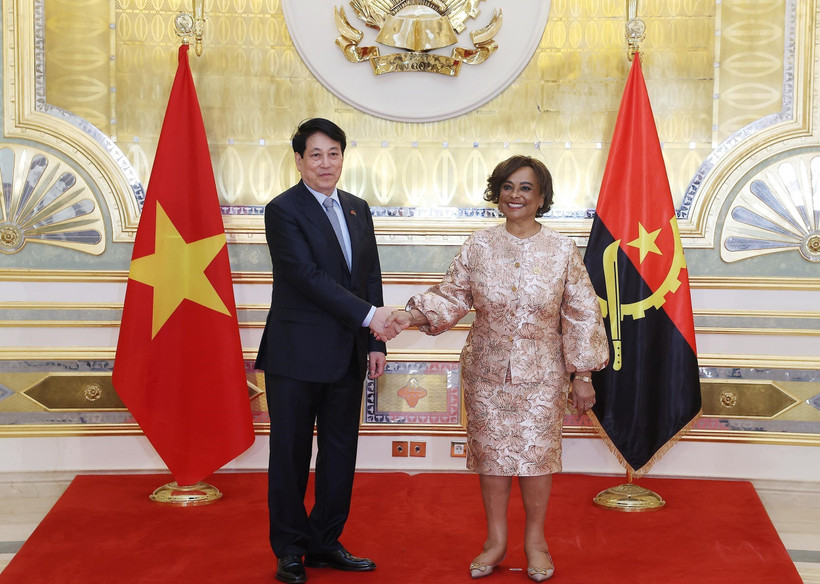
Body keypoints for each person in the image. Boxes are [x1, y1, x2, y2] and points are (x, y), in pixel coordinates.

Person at [384, 155, 609, 582]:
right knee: (492, 458)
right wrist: (409, 315)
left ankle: (536, 544)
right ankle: (495, 542)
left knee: (537, 457)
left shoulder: (562, 250)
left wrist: (583, 375)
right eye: (508, 187)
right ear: (497, 193)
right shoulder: (479, 245)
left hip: (543, 374)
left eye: (525, 188)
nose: (515, 195)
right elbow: (452, 296)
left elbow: (582, 314)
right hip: (486, 373)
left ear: (541, 197)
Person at [255, 118, 401, 584]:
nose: (325, 163)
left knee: (340, 454)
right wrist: (370, 317)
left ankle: (325, 541)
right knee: (290, 455)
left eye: (333, 153)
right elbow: (305, 276)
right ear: (299, 160)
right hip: (295, 356)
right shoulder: (283, 210)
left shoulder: (358, 208)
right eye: (315, 154)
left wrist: (375, 341)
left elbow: (370, 276)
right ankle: (290, 549)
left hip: (348, 354)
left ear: (343, 157)